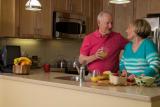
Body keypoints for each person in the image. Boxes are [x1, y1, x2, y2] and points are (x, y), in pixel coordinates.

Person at [119, 19, 160, 85]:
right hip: (134, 85)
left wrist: (140, 77)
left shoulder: (147, 44)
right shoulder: (128, 46)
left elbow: (155, 64)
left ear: (137, 30)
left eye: (129, 28)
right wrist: (123, 71)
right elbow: (122, 63)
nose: (126, 31)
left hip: (151, 87)